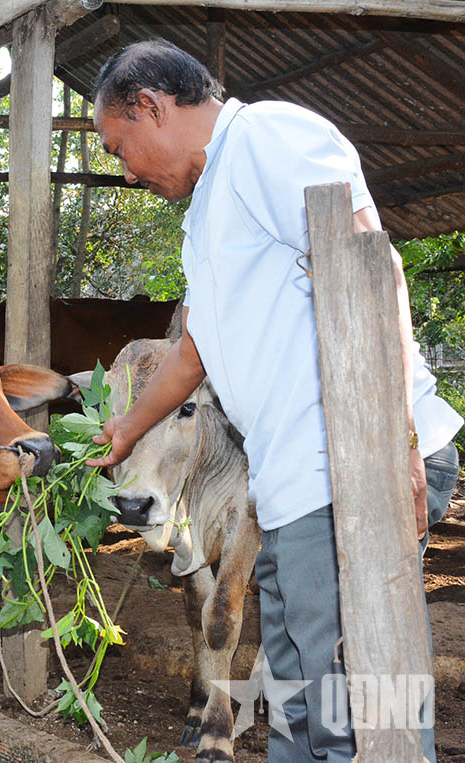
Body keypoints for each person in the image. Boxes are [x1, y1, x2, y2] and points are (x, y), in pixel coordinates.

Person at [86, 39, 462, 762]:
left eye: (119, 146)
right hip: (294, 481)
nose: (125, 169)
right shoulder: (206, 213)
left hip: (348, 466)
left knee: (353, 706)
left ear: (148, 106)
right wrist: (128, 429)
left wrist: (398, 445)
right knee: (297, 700)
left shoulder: (265, 138)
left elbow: (369, 265)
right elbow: (194, 348)